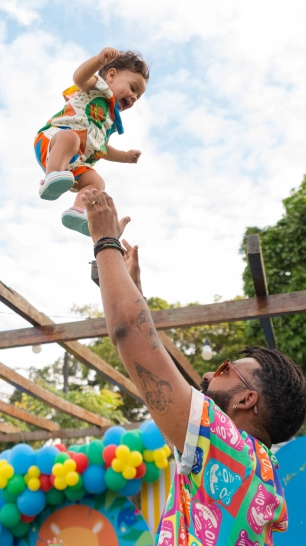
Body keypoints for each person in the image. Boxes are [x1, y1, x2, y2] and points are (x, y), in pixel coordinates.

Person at [80, 188, 306, 546]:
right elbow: (141, 347)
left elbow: (127, 332)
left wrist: (103, 236)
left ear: (247, 399)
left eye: (224, 370)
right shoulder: (260, 473)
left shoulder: (225, 446)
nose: (206, 375)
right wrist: (128, 287)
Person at [34, 47, 149, 236]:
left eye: (138, 97)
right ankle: (51, 177)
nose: (134, 97)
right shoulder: (97, 87)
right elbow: (79, 77)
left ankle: (77, 211)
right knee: (70, 137)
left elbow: (103, 150)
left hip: (73, 164)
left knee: (97, 182)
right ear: (111, 75)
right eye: (133, 88)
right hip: (53, 141)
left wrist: (126, 157)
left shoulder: (108, 122)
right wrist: (98, 61)